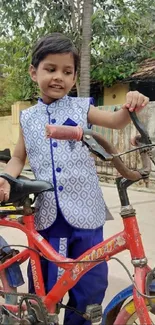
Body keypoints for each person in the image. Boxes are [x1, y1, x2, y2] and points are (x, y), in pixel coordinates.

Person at [0, 33, 149, 325]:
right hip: (49, 215)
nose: (59, 77)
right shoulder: (28, 118)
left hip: (87, 213)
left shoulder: (82, 108)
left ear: (74, 77)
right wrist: (6, 177)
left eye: (67, 72)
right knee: (49, 283)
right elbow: (19, 156)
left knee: (90, 283)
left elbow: (118, 121)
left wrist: (133, 102)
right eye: (50, 69)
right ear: (34, 72)